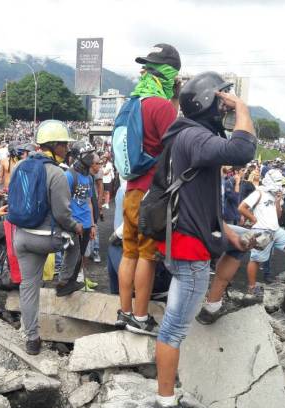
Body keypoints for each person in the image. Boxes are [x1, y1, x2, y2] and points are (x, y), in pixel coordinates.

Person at [151, 73, 257, 408]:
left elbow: (199, 199)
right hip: (190, 248)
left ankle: (211, 306)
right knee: (174, 328)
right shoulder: (194, 136)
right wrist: (242, 107)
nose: (226, 104)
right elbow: (243, 150)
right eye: (223, 98)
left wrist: (227, 232)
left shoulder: (186, 134)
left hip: (188, 236)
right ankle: (165, 403)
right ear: (211, 103)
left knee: (241, 243)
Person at [117, 43, 182, 335]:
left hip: (131, 190)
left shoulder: (133, 103)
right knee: (147, 256)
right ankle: (141, 318)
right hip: (151, 195)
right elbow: (175, 148)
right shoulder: (162, 106)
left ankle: (125, 312)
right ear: (169, 75)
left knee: (128, 253)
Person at [13, 120, 82, 355]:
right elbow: (63, 214)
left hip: (21, 237)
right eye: (64, 144)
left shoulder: (20, 166)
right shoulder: (56, 173)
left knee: (29, 287)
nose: (66, 148)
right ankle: (64, 282)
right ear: (53, 146)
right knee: (75, 239)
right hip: (47, 238)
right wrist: (76, 226)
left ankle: (32, 339)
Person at [239, 169, 285, 295]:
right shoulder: (259, 193)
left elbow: (278, 215)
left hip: (276, 230)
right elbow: (242, 207)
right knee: (256, 260)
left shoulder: (276, 194)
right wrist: (253, 219)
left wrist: (277, 202)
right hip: (262, 231)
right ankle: (252, 287)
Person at [59, 145, 96, 295]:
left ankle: (71, 283)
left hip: (86, 224)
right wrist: (70, 224)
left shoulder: (89, 177)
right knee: (71, 256)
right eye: (87, 154)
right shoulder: (69, 175)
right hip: (74, 224)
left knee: (80, 256)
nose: (91, 157)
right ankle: (63, 284)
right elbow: (63, 201)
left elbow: (88, 201)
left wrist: (92, 224)